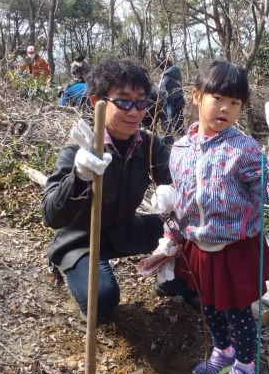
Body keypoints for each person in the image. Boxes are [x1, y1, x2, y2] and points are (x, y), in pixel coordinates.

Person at [151, 60, 269, 374]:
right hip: (197, 245)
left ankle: (245, 366)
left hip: (236, 247)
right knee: (209, 304)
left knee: (238, 311)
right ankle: (222, 352)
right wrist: (170, 239)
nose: (226, 108)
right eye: (218, 97)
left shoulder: (245, 149)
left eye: (235, 102)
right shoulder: (178, 150)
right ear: (196, 96)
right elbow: (179, 204)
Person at [41, 58, 199, 324]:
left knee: (188, 233)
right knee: (102, 300)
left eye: (141, 102)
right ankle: (74, 273)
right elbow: (51, 216)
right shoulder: (79, 148)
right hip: (80, 241)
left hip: (124, 230)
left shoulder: (147, 145)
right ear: (96, 102)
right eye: (124, 101)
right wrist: (79, 177)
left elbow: (178, 184)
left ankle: (174, 283)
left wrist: (177, 189)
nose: (134, 111)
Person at [157, 58, 185, 140]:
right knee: (179, 119)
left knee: (170, 119)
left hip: (172, 99)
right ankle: (182, 137)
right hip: (180, 97)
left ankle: (170, 139)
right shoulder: (176, 69)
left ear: (162, 66)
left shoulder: (167, 74)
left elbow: (160, 88)